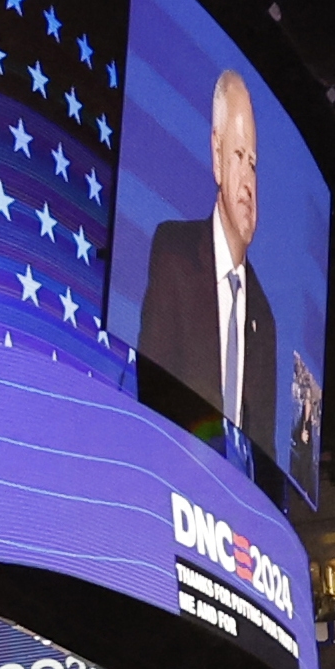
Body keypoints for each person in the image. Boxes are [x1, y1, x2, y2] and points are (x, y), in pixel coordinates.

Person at [135, 64, 279, 448]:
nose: (248, 181)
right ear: (216, 156)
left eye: (253, 163)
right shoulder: (174, 252)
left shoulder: (262, 315)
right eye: (237, 155)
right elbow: (148, 390)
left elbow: (263, 450)